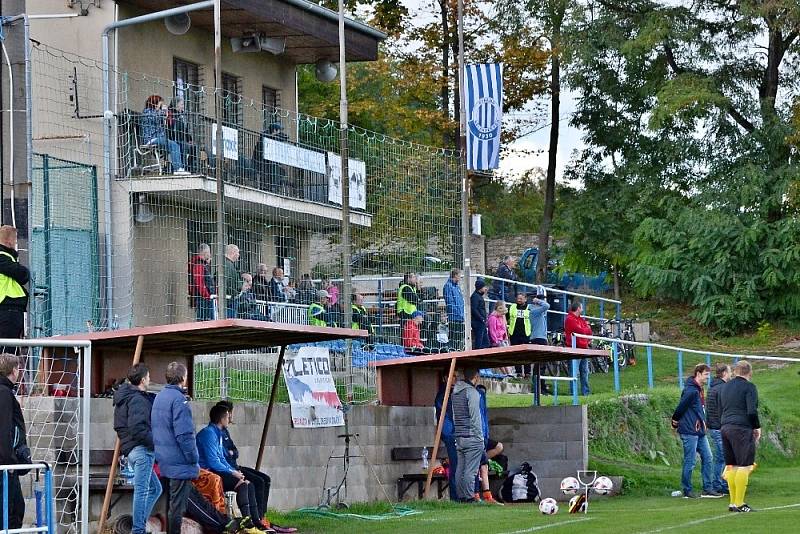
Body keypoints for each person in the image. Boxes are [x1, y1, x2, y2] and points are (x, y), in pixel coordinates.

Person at [214, 401, 296, 533]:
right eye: (229, 414)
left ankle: (261, 517)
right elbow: (221, 457)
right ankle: (254, 521)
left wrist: (232, 454)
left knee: (265, 479)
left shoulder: (224, 432)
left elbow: (234, 451)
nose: (231, 417)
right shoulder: (213, 433)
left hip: (233, 466)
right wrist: (233, 469)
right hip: (229, 468)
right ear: (225, 415)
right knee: (254, 483)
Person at [196, 405, 271, 531]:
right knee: (242, 484)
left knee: (248, 483)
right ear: (221, 419)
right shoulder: (209, 434)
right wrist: (232, 472)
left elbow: (222, 458)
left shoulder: (218, 433)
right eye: (227, 416)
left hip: (216, 470)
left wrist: (234, 471)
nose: (230, 418)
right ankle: (248, 523)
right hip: (207, 473)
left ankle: (256, 521)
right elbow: (213, 462)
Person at [113, 363, 161, 534]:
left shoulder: (124, 396)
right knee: (142, 491)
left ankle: (138, 524)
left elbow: (120, 426)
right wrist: (157, 442)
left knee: (156, 488)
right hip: (141, 450)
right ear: (142, 380)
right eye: (148, 377)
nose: (149, 379)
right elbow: (138, 429)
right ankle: (138, 529)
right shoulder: (138, 399)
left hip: (132, 450)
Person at [152, 362, 200, 534]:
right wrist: (193, 457)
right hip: (179, 461)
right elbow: (184, 434)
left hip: (165, 459)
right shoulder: (180, 400)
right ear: (183, 377)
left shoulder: (159, 397)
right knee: (177, 509)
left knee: (171, 506)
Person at [671, 363, 720, 499]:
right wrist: (675, 420)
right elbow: (681, 407)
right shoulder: (691, 390)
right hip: (689, 430)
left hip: (699, 431)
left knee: (708, 457)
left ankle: (708, 488)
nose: (707, 378)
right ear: (698, 374)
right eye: (706, 375)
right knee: (690, 460)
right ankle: (687, 489)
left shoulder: (699, 389)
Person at [720, 360, 761, 513]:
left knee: (732, 464)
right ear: (749, 372)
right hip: (741, 428)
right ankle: (740, 503)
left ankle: (732, 503)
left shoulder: (725, 386)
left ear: (735, 371)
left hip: (725, 427)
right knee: (745, 465)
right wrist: (756, 426)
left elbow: (721, 407)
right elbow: (751, 410)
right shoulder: (749, 387)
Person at [0, 354, 28, 529]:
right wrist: (10, 461)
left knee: (15, 509)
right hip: (5, 465)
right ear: (14, 370)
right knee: (13, 512)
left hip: (6, 463)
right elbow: (4, 430)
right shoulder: (4, 393)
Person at [451, 367, 484, 502]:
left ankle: (461, 497)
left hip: (459, 436)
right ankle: (469, 497)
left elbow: (454, 416)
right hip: (472, 436)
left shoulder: (455, 392)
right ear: (476, 377)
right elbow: (475, 417)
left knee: (460, 469)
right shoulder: (472, 393)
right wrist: (480, 438)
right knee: (471, 470)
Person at [141, 94, 189, 175]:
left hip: (159, 138)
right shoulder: (147, 112)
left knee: (179, 144)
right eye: (160, 103)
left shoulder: (157, 112)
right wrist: (163, 111)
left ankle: (182, 167)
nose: (162, 105)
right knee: (174, 145)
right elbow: (155, 118)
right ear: (155, 103)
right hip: (151, 139)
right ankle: (177, 169)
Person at [0, 226, 29, 344]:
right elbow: (22, 274)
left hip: (9, 308)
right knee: (8, 351)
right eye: (15, 239)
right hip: (7, 307)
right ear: (9, 241)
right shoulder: (2, 256)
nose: (16, 242)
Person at [474, 384, 502, 504]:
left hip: (483, 437)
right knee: (479, 466)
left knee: (483, 465)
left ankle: (486, 496)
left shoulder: (482, 405)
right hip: (476, 438)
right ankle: (477, 495)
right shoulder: (474, 401)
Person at [706, 363, 731, 495]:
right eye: (729, 372)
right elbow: (724, 409)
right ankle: (719, 484)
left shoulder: (713, 387)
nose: (731, 374)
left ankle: (720, 483)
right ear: (724, 373)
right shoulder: (722, 388)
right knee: (723, 457)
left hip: (713, 426)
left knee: (721, 456)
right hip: (720, 427)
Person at [434, 376, 458, 501]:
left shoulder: (453, 392)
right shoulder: (443, 395)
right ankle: (456, 496)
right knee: (455, 465)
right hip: (451, 435)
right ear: (445, 378)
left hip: (456, 434)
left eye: (456, 376)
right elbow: (444, 417)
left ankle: (461, 495)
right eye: (453, 376)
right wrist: (451, 435)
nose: (456, 379)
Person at [564, 302, 592, 395]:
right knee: (574, 372)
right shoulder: (569, 319)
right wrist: (585, 329)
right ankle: (573, 393)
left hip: (583, 348)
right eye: (582, 307)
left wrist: (585, 330)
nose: (582, 309)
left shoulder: (580, 319)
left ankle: (586, 392)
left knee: (584, 371)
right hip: (574, 349)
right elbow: (581, 330)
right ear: (578, 308)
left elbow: (588, 331)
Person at [167, 96, 197, 173]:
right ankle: (182, 167)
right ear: (176, 105)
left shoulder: (181, 115)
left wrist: (189, 139)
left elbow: (185, 129)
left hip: (182, 139)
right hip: (174, 139)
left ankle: (191, 168)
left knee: (193, 148)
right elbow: (169, 127)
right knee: (183, 146)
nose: (183, 106)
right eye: (182, 104)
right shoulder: (171, 114)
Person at [189, 243, 216, 321]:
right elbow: (199, 282)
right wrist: (207, 295)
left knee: (205, 320)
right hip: (203, 298)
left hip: (204, 297)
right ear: (205, 252)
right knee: (204, 320)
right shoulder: (198, 264)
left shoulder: (201, 264)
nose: (210, 255)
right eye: (209, 252)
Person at [508, 293, 532, 376]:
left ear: (525, 299)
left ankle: (527, 372)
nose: (519, 300)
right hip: (514, 333)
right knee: (516, 353)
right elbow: (507, 317)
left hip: (525, 334)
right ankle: (518, 372)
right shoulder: (512, 307)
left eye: (521, 298)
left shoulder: (529, 308)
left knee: (526, 354)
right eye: (518, 298)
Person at [443, 269, 465, 351]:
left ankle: (457, 352)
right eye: (459, 276)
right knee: (454, 338)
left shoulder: (457, 287)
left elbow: (460, 301)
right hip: (454, 317)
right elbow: (450, 303)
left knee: (459, 337)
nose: (460, 278)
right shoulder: (448, 286)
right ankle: (452, 353)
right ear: (455, 276)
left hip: (460, 316)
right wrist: (458, 313)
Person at [470, 279, 489, 350]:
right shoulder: (475, 297)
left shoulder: (478, 296)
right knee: (479, 340)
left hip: (481, 322)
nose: (485, 289)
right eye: (484, 287)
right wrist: (481, 318)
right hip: (478, 322)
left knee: (486, 342)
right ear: (480, 288)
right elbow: (474, 309)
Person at [224, 244, 241, 318]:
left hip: (231, 299)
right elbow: (225, 282)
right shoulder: (227, 265)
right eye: (238, 252)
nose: (238, 255)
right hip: (229, 301)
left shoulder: (229, 264)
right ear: (233, 252)